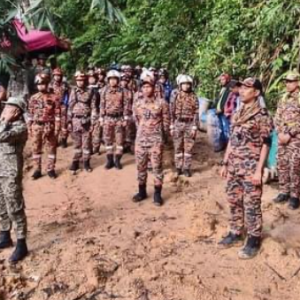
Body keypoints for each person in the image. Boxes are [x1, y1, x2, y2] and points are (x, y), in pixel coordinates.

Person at [219, 78, 273, 259]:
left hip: (251, 167)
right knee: (234, 200)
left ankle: (254, 238)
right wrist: (225, 162)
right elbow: (232, 140)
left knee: (251, 204)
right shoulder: (238, 112)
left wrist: (259, 170)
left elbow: (266, 144)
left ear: (256, 92)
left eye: (247, 88)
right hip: (234, 165)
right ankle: (235, 231)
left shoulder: (262, 115)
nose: (242, 90)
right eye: (241, 87)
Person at [132, 71, 170, 206]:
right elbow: (136, 120)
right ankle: (142, 192)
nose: (146, 89)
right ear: (141, 89)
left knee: (157, 168)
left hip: (155, 141)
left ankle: (157, 194)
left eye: (149, 86)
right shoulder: (137, 103)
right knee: (141, 167)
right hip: (141, 140)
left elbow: (166, 122)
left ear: (154, 88)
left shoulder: (162, 103)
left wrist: (163, 137)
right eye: (144, 87)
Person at [0, 96, 28, 262]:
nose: (4, 110)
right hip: (0, 171)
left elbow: (1, 136)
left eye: (8, 108)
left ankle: (21, 243)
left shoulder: (20, 127)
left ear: (16, 112)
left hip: (11, 173)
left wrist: (5, 121)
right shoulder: (6, 124)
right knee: (1, 205)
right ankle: (4, 235)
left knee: (15, 207)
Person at [273, 71, 300, 209]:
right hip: (282, 137)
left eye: (290, 81)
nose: (287, 84)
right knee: (282, 164)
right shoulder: (283, 98)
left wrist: (290, 134)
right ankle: (284, 191)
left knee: (295, 166)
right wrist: (279, 133)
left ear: (297, 82)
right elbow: (277, 117)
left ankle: (295, 195)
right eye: (286, 81)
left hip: (295, 139)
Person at [28, 73, 61, 180]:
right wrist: (29, 127)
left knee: (51, 148)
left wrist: (57, 128)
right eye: (39, 84)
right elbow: (30, 114)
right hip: (37, 126)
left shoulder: (54, 97)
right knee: (36, 148)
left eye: (43, 84)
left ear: (47, 84)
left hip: (49, 126)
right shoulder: (33, 98)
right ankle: (37, 170)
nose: (41, 86)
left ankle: (50, 169)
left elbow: (57, 114)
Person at [100, 70, 130, 170]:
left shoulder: (123, 91)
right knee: (107, 140)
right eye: (111, 79)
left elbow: (126, 105)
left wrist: (125, 118)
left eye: (114, 79)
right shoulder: (104, 90)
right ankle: (109, 160)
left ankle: (117, 160)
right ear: (108, 80)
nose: (113, 81)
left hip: (119, 119)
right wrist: (101, 117)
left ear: (118, 80)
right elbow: (102, 104)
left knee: (119, 141)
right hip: (107, 118)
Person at [68, 71, 98, 173]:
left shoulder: (90, 91)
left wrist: (93, 122)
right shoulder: (73, 91)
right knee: (77, 144)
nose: (80, 82)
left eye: (82, 80)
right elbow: (70, 107)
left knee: (86, 144)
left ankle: (86, 163)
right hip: (75, 120)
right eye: (78, 80)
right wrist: (68, 121)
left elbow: (94, 107)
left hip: (87, 121)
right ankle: (75, 163)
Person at [170, 75, 199, 177]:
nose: (186, 86)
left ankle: (186, 168)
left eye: (188, 84)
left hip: (189, 124)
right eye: (184, 84)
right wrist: (171, 125)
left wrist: (195, 126)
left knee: (188, 148)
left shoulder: (193, 96)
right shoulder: (175, 95)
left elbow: (196, 112)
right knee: (178, 146)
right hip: (178, 123)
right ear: (180, 85)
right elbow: (171, 111)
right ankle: (178, 167)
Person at [49, 68, 69, 148]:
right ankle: (55, 141)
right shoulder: (50, 85)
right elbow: (48, 96)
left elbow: (67, 94)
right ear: (53, 76)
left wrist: (65, 103)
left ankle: (64, 140)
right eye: (55, 75)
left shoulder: (64, 84)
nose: (57, 77)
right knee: (55, 125)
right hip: (54, 107)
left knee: (64, 124)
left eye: (59, 75)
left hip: (63, 106)